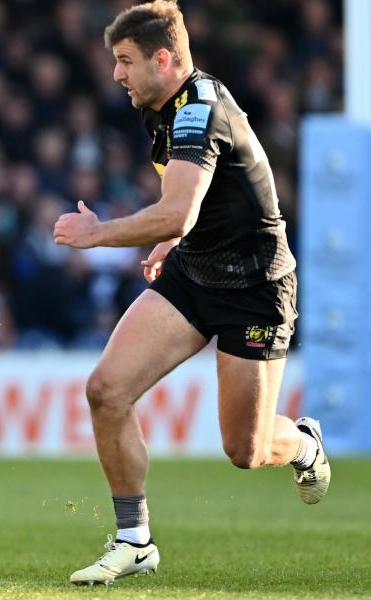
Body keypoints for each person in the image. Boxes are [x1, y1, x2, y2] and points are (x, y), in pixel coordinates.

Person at [53, 0, 329, 586]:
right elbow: (203, 209)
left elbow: (177, 212)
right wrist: (173, 245)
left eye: (125, 61)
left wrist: (101, 232)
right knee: (106, 390)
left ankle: (303, 444)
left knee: (246, 450)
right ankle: (135, 540)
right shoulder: (162, 106)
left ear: (163, 57)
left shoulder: (198, 110)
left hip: (255, 290)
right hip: (195, 273)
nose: (116, 74)